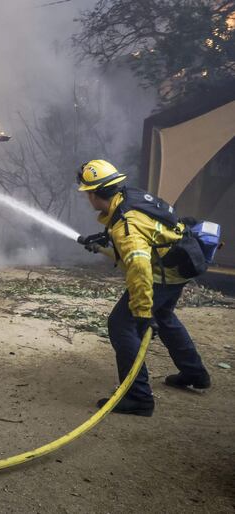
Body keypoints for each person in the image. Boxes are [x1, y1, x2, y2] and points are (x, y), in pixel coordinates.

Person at [77, 159, 210, 417]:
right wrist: (106, 240)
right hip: (180, 262)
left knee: (121, 324)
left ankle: (138, 397)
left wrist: (142, 313)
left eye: (86, 192)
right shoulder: (130, 195)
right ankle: (195, 373)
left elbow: (139, 267)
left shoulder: (127, 226)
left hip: (163, 274)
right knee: (165, 315)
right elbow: (146, 233)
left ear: (93, 194)